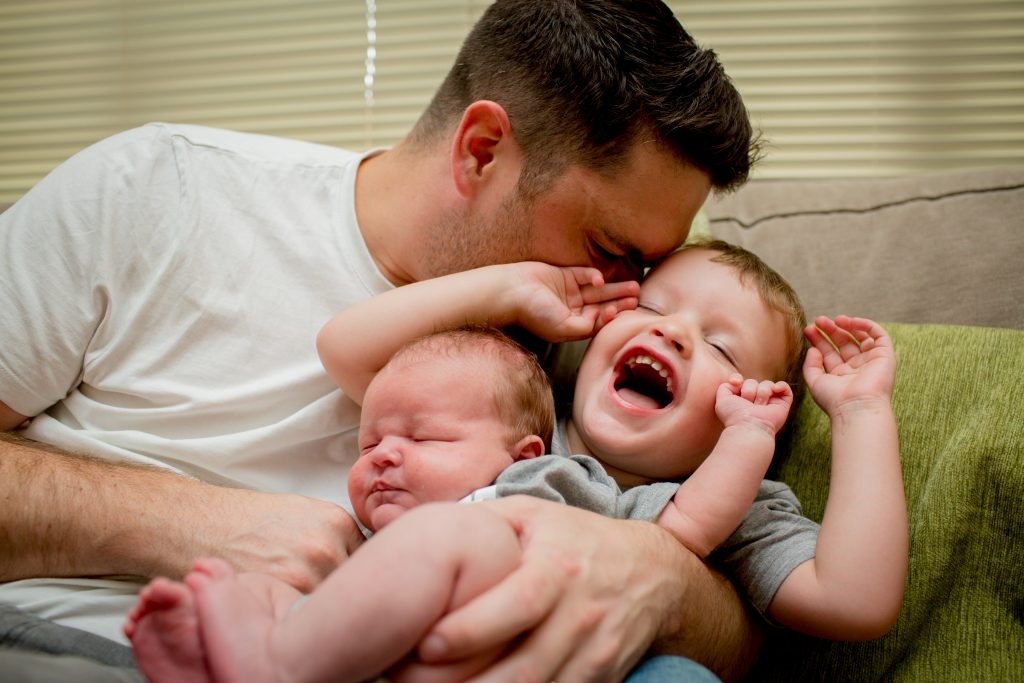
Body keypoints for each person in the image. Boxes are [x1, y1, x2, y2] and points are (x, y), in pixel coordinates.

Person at [0, 1, 764, 680]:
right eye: (608, 246)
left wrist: (655, 575)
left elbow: (747, 629)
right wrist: (188, 525)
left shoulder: (604, 343)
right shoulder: (158, 190)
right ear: (483, 149)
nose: (628, 296)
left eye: (646, 267)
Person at [124, 241, 907, 682]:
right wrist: (507, 288)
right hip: (387, 642)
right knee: (286, 566)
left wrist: (863, 412)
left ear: (753, 413)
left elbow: (855, 600)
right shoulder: (523, 399)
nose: (672, 335)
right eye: (651, 307)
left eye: (723, 347)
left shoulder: (736, 499)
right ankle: (263, 653)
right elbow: (348, 352)